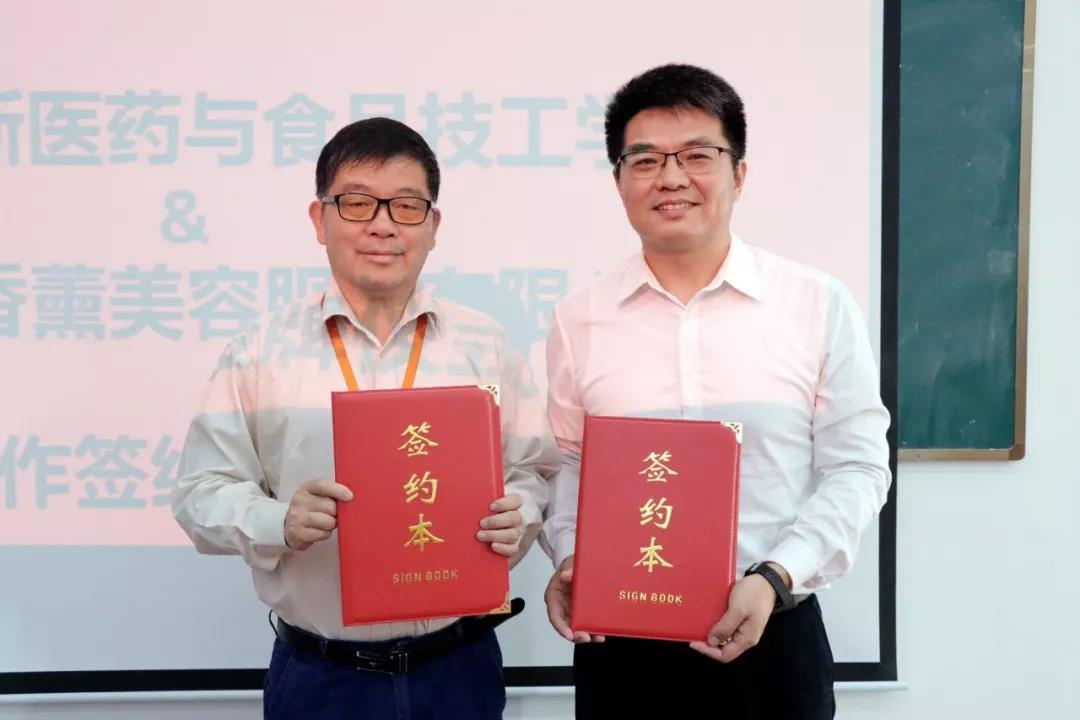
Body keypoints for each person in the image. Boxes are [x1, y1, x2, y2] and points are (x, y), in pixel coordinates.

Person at [172, 117, 558, 720]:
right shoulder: (260, 353)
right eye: (356, 203)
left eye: (406, 205)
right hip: (321, 679)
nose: (382, 224)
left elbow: (534, 469)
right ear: (319, 219)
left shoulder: (485, 345)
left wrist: (522, 511)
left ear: (433, 226)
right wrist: (279, 519)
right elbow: (200, 493)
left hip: (458, 670)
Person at [540, 64, 891, 718]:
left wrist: (775, 576)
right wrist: (571, 557)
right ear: (619, 181)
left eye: (697, 155)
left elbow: (857, 466)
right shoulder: (579, 318)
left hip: (774, 639)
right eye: (645, 160)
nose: (671, 178)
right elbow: (566, 461)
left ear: (739, 173)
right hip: (622, 647)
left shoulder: (815, 303)